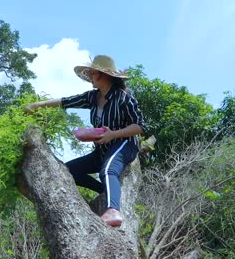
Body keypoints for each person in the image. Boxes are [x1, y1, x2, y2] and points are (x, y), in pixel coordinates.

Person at [25, 55, 146, 227]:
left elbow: (140, 126)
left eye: (93, 73)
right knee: (68, 170)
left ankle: (113, 211)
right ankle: (105, 191)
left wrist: (114, 134)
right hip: (102, 150)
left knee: (109, 169)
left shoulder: (124, 98)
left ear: (104, 75)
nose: (90, 77)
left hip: (124, 144)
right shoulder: (92, 97)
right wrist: (36, 105)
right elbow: (65, 101)